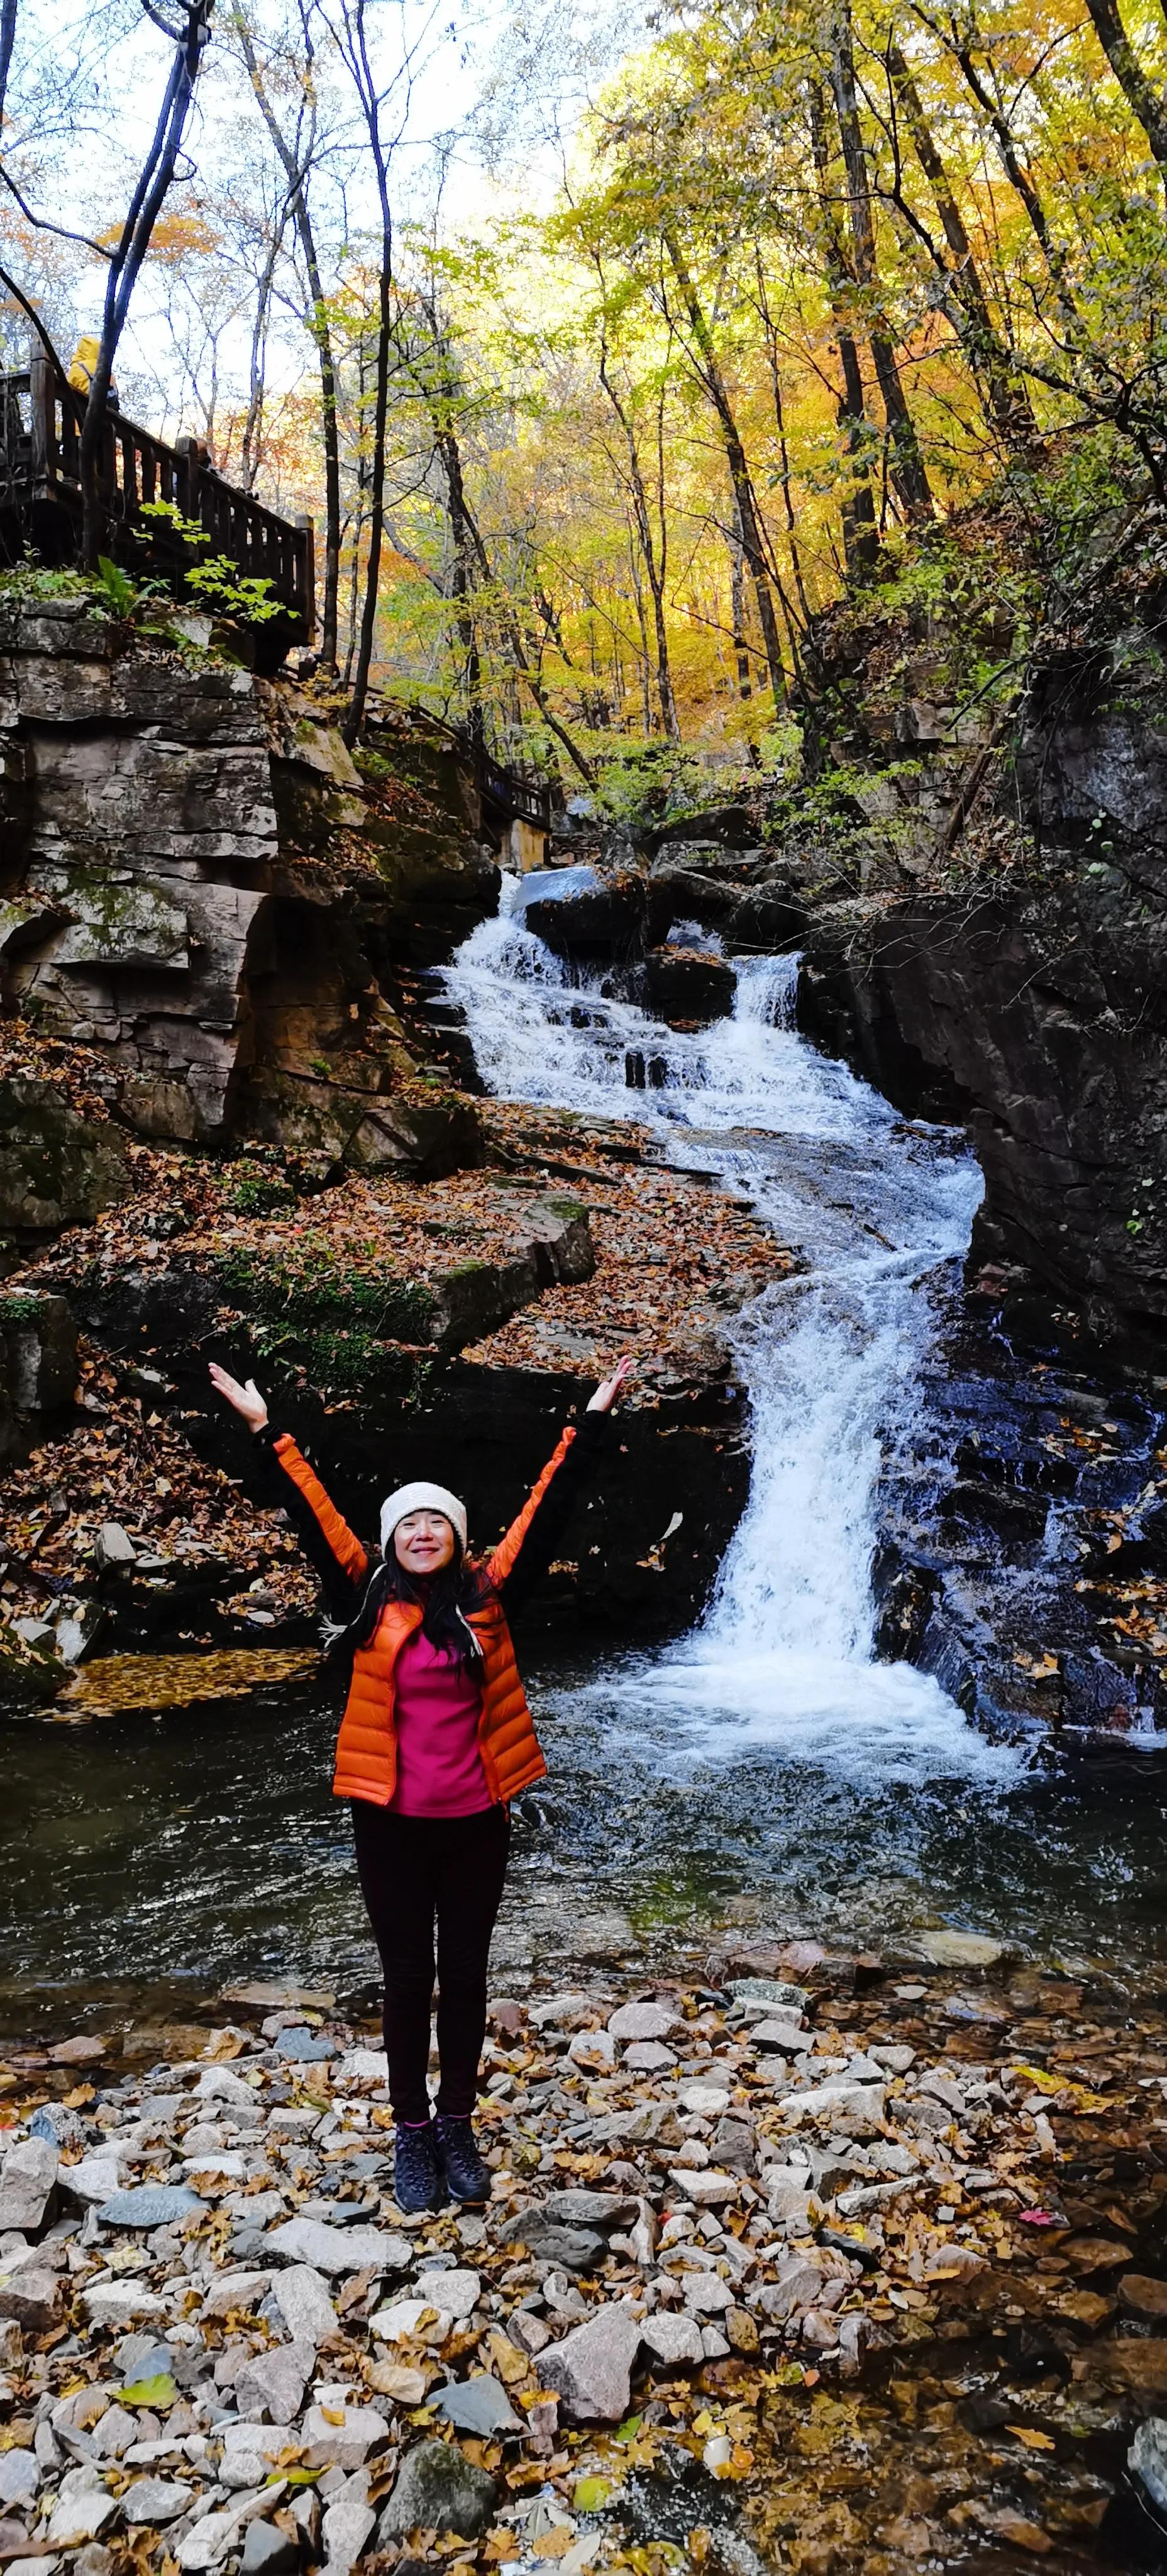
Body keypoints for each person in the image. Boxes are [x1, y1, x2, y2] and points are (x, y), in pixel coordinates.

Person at [207, 1353, 632, 2212]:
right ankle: (410, 2133)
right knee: (408, 1979)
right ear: (394, 1538)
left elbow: (550, 1504)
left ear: (459, 1537)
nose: (424, 1534)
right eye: (411, 1524)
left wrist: (590, 1417)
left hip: (478, 1818)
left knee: (466, 1977)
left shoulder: (491, 1593)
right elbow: (310, 1509)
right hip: (391, 1822)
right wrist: (267, 1430)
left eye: (438, 1523)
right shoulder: (366, 1595)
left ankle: (458, 2123)